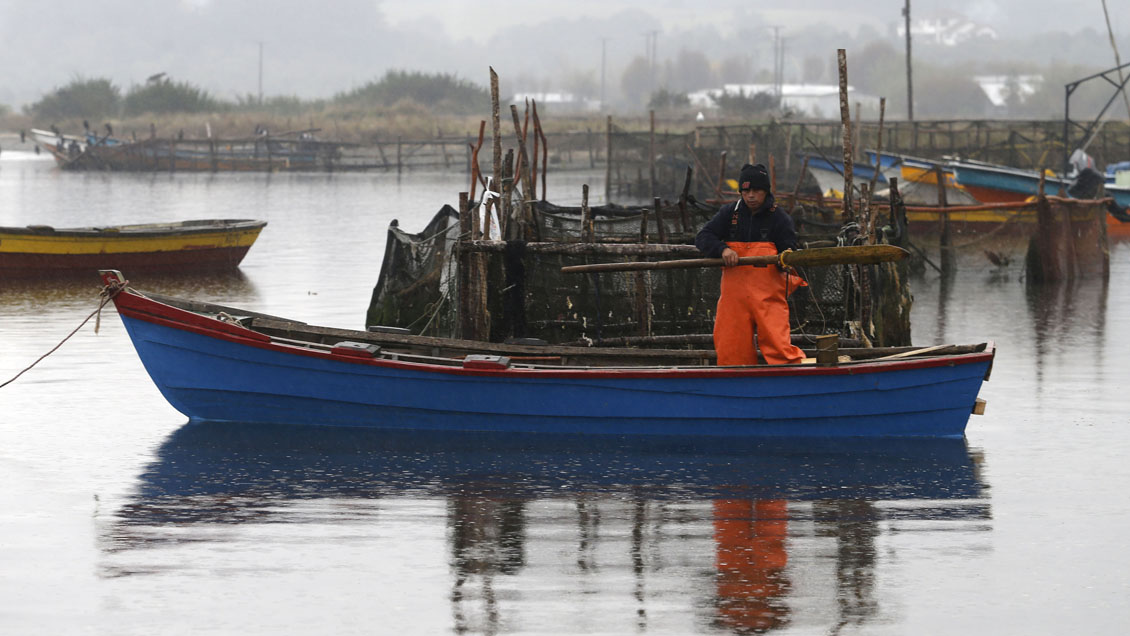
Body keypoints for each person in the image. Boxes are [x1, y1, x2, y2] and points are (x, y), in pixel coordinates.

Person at [695, 163, 806, 365]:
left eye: (756, 190)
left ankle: (790, 382)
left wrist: (784, 260)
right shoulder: (730, 213)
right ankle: (736, 386)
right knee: (731, 349)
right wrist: (723, 250)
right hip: (734, 299)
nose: (751, 196)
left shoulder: (780, 217)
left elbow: (789, 250)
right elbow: (703, 236)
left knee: (779, 347)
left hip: (768, 297)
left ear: (765, 191)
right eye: (746, 191)